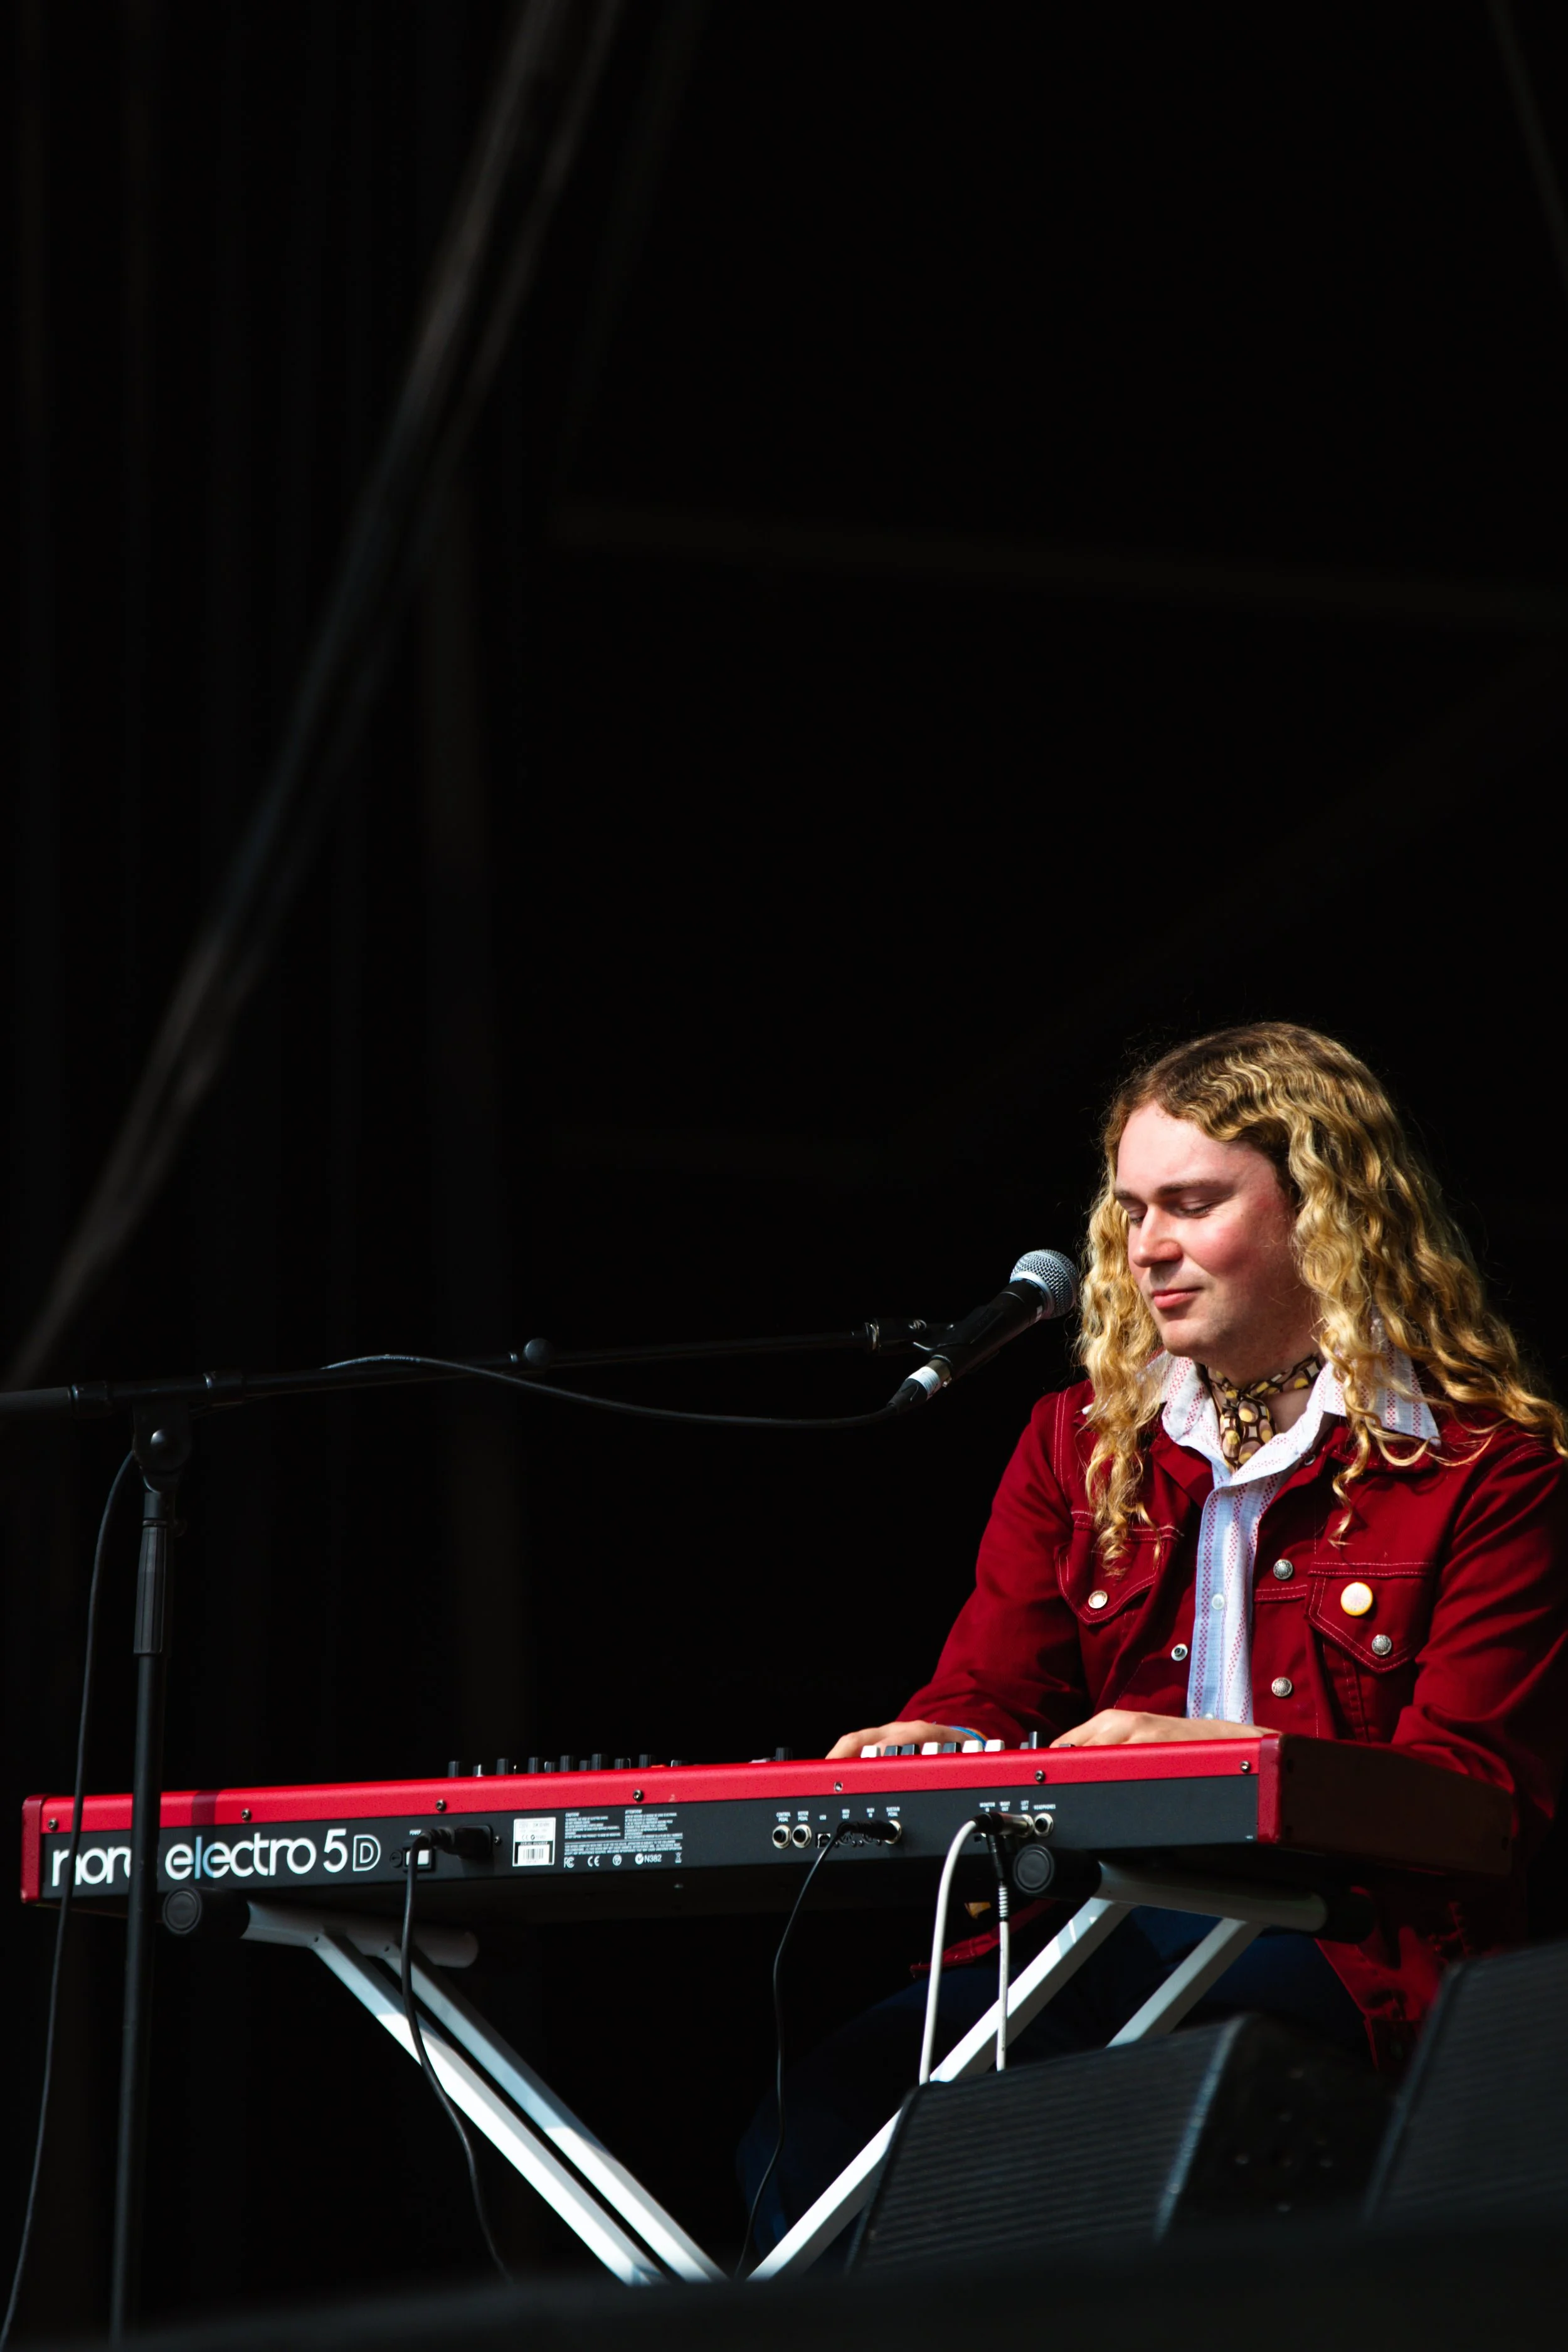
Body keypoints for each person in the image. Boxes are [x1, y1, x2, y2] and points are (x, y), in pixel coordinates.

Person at [739, 1022, 1568, 2251]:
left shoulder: (1483, 1470)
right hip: (1087, 1935)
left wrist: (1214, 1757)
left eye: (1189, 1204)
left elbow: (1481, 1799)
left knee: (1145, 2132)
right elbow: (987, 1689)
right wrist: (933, 1741)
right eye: (1129, 1210)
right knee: (816, 2134)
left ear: (1322, 1214)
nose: (1144, 1249)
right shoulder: (1071, 1443)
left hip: (1341, 1951)